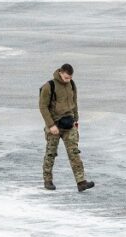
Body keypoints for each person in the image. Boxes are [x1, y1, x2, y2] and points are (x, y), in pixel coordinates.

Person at [38, 64, 94, 192]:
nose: (68, 80)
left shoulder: (72, 84)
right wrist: (51, 125)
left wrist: (75, 120)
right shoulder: (49, 86)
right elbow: (42, 106)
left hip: (69, 124)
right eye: (66, 77)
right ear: (60, 73)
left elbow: (74, 103)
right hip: (54, 125)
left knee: (74, 152)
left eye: (70, 77)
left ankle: (81, 182)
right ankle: (47, 180)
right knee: (51, 153)